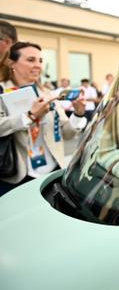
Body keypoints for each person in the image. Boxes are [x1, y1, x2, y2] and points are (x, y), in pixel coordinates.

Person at [0, 42, 87, 196]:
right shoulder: (2, 91)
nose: (38, 65)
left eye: (40, 61)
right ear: (12, 63)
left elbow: (66, 133)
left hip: (51, 172)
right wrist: (30, 116)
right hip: (17, 176)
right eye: (31, 60)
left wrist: (78, 114)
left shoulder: (48, 94)